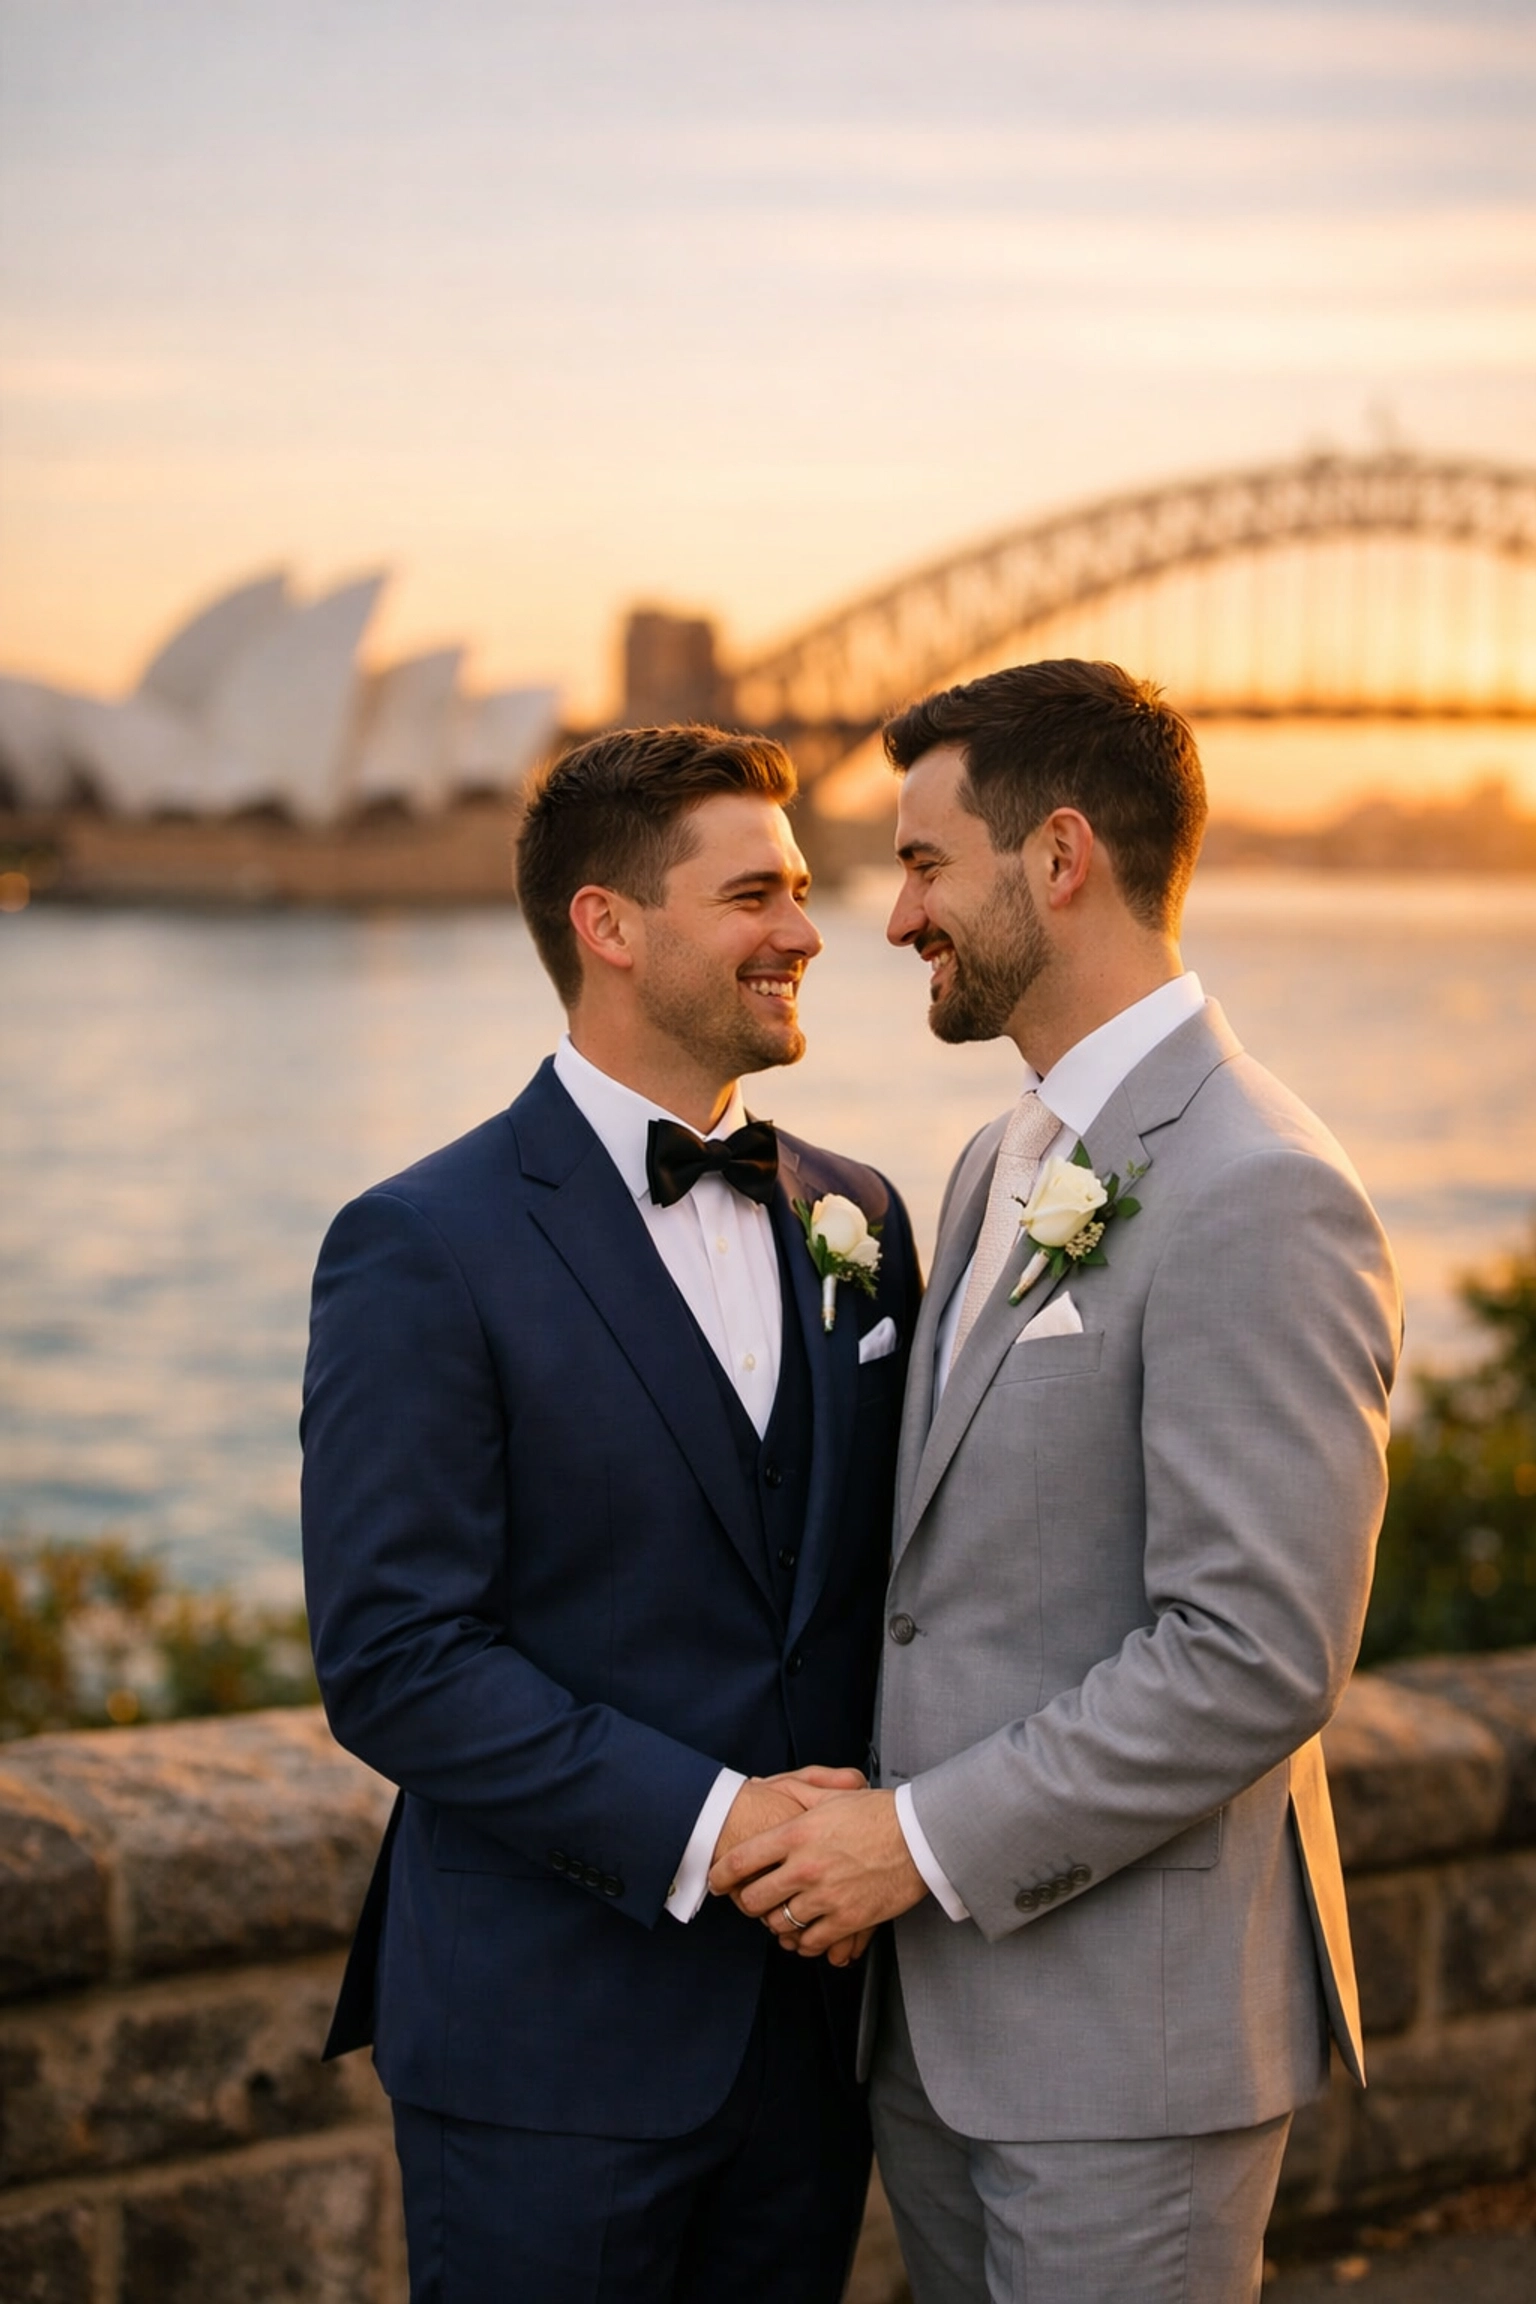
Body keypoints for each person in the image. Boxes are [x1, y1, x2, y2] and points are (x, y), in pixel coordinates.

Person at [711, 660, 1402, 2304]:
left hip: (1124, 2059)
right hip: (944, 2045)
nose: (895, 919)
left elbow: (1255, 1654)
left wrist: (918, 1844)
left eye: (928, 865)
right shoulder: (1003, 1153)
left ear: (1062, 857)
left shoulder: (1261, 1188)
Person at [301, 723, 920, 2304]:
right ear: (611, 926)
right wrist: (719, 1827)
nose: (805, 929)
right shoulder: (420, 1244)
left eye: (796, 890)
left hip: (809, 2035)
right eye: (755, 894)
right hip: (544, 2052)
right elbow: (398, 1658)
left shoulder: (861, 1215)